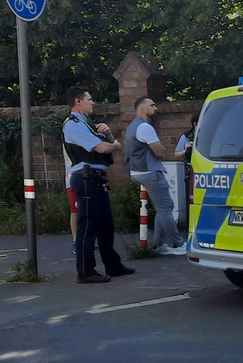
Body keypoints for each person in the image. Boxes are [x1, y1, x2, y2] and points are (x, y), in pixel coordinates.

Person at [63, 86, 135, 284]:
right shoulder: (73, 124)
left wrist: (110, 135)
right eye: (89, 99)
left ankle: (113, 265)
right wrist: (115, 145)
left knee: (105, 225)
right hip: (85, 178)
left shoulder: (88, 124)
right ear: (78, 101)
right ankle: (86, 272)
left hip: (96, 178)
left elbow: (106, 144)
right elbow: (102, 148)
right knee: (88, 226)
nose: (93, 102)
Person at [126, 96, 190, 254]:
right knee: (165, 208)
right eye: (152, 105)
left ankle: (159, 244)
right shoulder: (144, 127)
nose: (156, 108)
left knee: (166, 207)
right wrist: (163, 148)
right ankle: (179, 244)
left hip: (138, 171)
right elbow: (161, 152)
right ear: (142, 109)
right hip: (149, 172)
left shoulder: (133, 125)